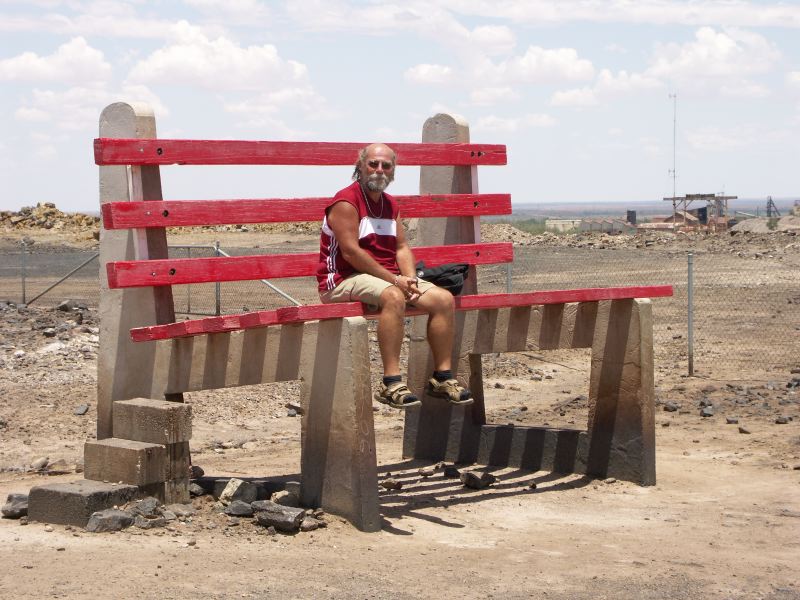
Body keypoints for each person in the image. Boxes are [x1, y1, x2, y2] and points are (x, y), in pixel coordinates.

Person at [316, 143, 473, 409]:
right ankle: (391, 382)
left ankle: (442, 378)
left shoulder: (390, 204)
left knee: (443, 299)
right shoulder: (346, 202)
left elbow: (401, 247)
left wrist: (409, 278)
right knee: (393, 296)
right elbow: (352, 253)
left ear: (393, 171)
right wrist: (396, 281)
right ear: (360, 166)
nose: (379, 170)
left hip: (388, 278)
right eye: (373, 164)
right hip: (342, 279)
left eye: (386, 165)